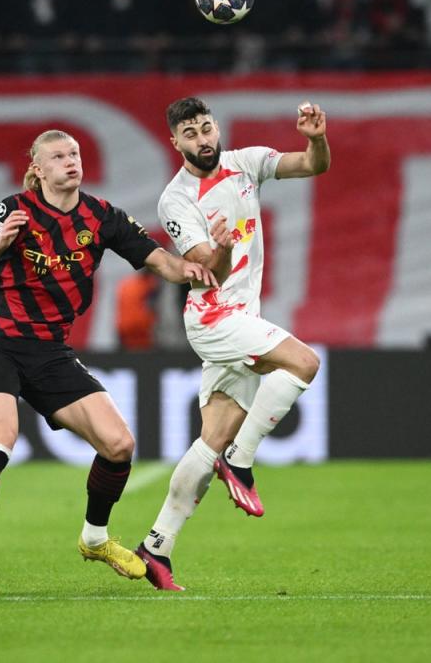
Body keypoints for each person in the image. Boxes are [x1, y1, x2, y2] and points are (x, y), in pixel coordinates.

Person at [0, 129, 217, 597]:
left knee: (119, 444)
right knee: (0, 441)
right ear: (38, 168)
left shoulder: (101, 216)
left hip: (51, 350)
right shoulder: (14, 210)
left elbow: (158, 259)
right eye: (58, 156)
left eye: (74, 153)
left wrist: (193, 267)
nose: (70, 161)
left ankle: (95, 537)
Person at [136, 96, 329, 591]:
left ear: (216, 127)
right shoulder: (175, 200)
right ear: (175, 142)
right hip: (213, 316)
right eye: (191, 134)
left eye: (206, 128)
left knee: (210, 439)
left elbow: (312, 165)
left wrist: (315, 137)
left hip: (244, 314)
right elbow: (206, 270)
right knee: (304, 363)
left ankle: (156, 547)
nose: (202, 139)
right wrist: (219, 246)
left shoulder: (246, 163)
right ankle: (241, 461)